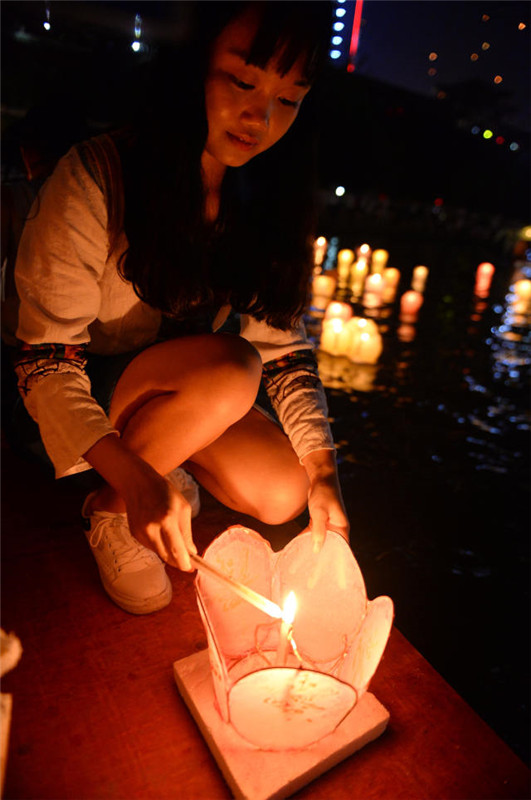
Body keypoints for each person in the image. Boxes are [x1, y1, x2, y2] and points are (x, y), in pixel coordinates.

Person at [11, 1, 349, 615]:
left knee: (284, 491)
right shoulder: (98, 175)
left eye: (290, 99)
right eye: (242, 82)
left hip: (180, 399)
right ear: (194, 68)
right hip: (78, 396)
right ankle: (111, 509)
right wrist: (135, 484)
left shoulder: (265, 201)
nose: (260, 116)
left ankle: (159, 465)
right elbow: (44, 364)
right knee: (235, 367)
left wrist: (325, 474)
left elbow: (288, 352)